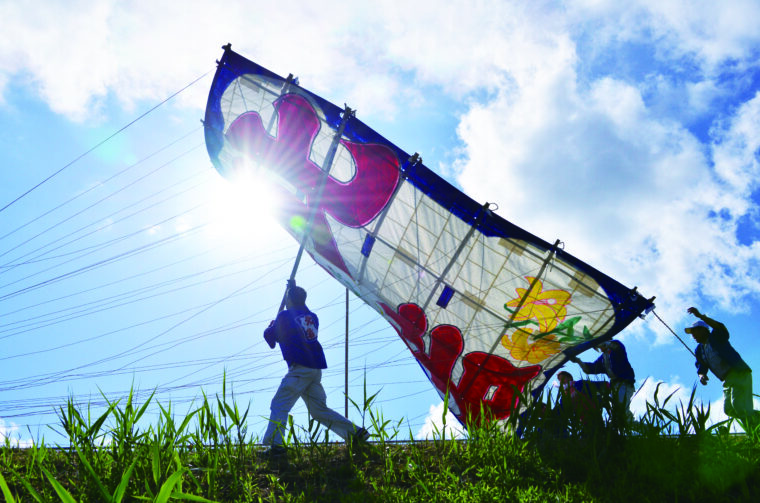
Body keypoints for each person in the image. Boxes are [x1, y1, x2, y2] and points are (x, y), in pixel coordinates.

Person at [261, 281, 368, 456]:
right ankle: (355, 433)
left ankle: (276, 446)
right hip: (314, 370)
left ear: (289, 300)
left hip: (300, 369)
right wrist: (292, 291)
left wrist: (272, 325)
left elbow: (270, 339)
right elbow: (301, 308)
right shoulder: (312, 317)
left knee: (279, 404)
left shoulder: (284, 317)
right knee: (319, 410)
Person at [686, 307, 757, 425]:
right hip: (726, 380)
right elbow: (701, 366)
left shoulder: (716, 337)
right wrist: (701, 375)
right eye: (691, 333)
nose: (693, 335)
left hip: (738, 372)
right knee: (729, 409)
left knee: (739, 406)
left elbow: (719, 327)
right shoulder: (699, 349)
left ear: (704, 330)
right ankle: (756, 419)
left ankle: (754, 433)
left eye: (695, 331)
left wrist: (701, 316)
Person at [569, 339, 635, 427]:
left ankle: (641, 427)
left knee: (621, 409)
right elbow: (591, 369)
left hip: (624, 383)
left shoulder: (616, 350)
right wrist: (578, 361)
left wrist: (603, 342)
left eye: (599, 347)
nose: (600, 349)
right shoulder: (603, 358)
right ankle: (641, 428)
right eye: (598, 348)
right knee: (618, 414)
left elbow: (617, 346)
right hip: (614, 386)